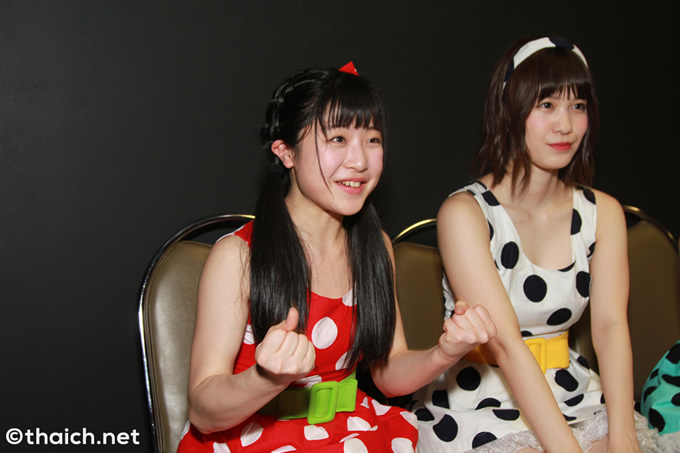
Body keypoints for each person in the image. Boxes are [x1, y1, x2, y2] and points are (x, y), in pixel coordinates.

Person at [176, 62, 496, 453]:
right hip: (253, 438)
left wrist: (445, 352)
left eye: (373, 139)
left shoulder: (375, 247)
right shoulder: (239, 256)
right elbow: (203, 410)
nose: (359, 161)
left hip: (351, 431)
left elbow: (389, 373)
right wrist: (267, 378)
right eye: (338, 139)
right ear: (286, 152)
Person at [412, 37, 657, 452]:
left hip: (573, 391)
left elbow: (610, 326)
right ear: (509, 110)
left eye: (577, 106)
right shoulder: (466, 213)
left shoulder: (602, 212)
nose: (565, 125)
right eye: (546, 105)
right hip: (480, 399)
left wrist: (624, 435)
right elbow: (507, 345)